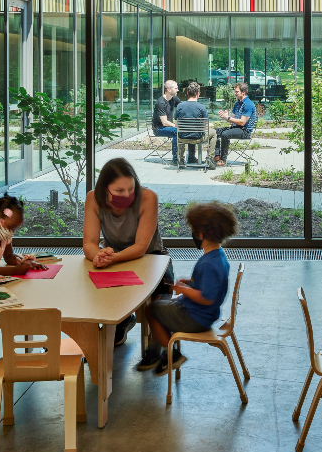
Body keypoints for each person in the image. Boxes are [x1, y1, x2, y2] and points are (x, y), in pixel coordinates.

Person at [83, 157, 173, 354]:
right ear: (104, 188)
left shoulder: (148, 197)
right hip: (113, 259)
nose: (126, 195)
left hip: (152, 258)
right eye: (119, 191)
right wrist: (99, 255)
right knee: (88, 294)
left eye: (131, 189)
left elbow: (141, 247)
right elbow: (89, 244)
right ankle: (117, 325)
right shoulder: (93, 198)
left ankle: (157, 346)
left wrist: (111, 258)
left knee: (160, 312)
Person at [141, 201, 236, 376]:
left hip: (196, 318)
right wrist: (190, 283)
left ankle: (172, 355)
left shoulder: (208, 264)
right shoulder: (218, 256)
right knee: (161, 304)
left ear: (201, 233)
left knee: (151, 311)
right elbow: (211, 285)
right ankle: (155, 352)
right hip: (206, 314)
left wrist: (183, 289)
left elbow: (207, 297)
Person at [213, 82, 258, 167]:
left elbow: (242, 122)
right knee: (214, 132)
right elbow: (232, 119)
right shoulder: (237, 104)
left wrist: (228, 118)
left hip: (244, 131)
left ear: (243, 92)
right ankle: (217, 155)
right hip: (235, 128)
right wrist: (225, 117)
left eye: (237, 91)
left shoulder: (248, 104)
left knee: (225, 134)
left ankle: (223, 159)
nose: (235, 93)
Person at [173, 82, 215, 166]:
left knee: (179, 132)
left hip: (182, 138)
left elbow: (177, 126)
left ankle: (181, 159)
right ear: (198, 94)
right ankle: (210, 158)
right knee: (213, 132)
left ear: (187, 93)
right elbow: (205, 127)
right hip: (197, 138)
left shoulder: (179, 106)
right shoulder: (201, 107)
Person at [152, 80, 181, 163]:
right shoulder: (161, 102)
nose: (178, 90)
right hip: (159, 128)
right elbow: (164, 122)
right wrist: (176, 126)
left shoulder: (174, 98)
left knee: (185, 130)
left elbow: (182, 107)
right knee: (177, 131)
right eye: (176, 88)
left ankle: (190, 157)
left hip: (168, 127)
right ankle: (175, 159)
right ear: (169, 89)